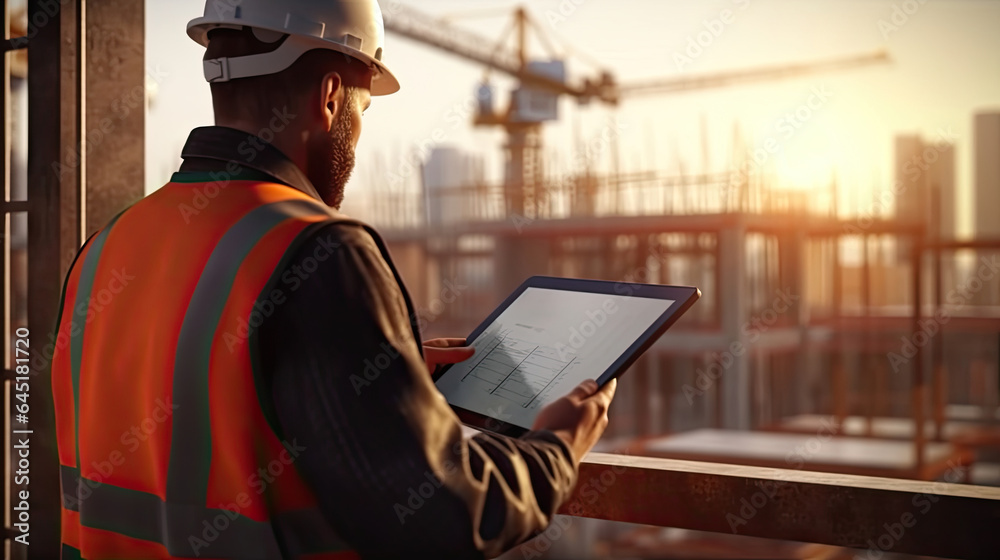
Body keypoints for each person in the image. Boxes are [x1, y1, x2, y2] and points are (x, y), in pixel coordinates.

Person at [50, 1, 617, 558]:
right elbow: (436, 518)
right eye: (363, 109)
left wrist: (364, 369)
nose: (359, 131)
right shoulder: (317, 249)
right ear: (328, 97)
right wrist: (558, 446)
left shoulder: (107, 245)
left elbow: (187, 392)